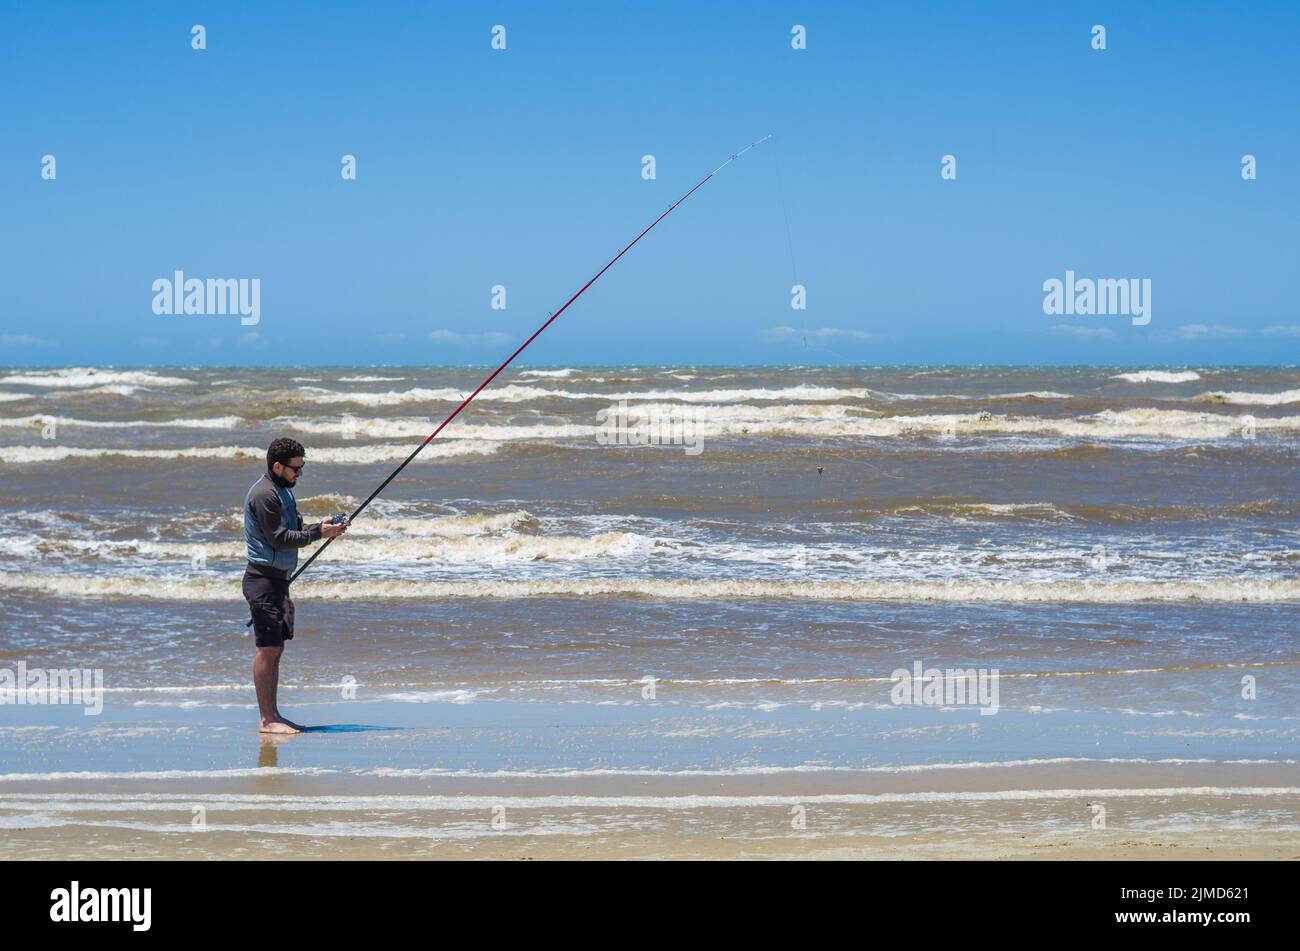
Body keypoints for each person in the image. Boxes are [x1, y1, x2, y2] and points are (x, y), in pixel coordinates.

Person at [242, 437, 347, 733]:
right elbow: (279, 538)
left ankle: (273, 715)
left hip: (279, 580)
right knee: (267, 649)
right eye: (295, 469)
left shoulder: (284, 492)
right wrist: (319, 535)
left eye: (301, 468)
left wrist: (322, 527)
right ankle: (267, 720)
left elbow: (295, 530)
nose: (299, 474)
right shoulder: (264, 495)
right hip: (262, 580)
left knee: (276, 649)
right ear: (277, 466)